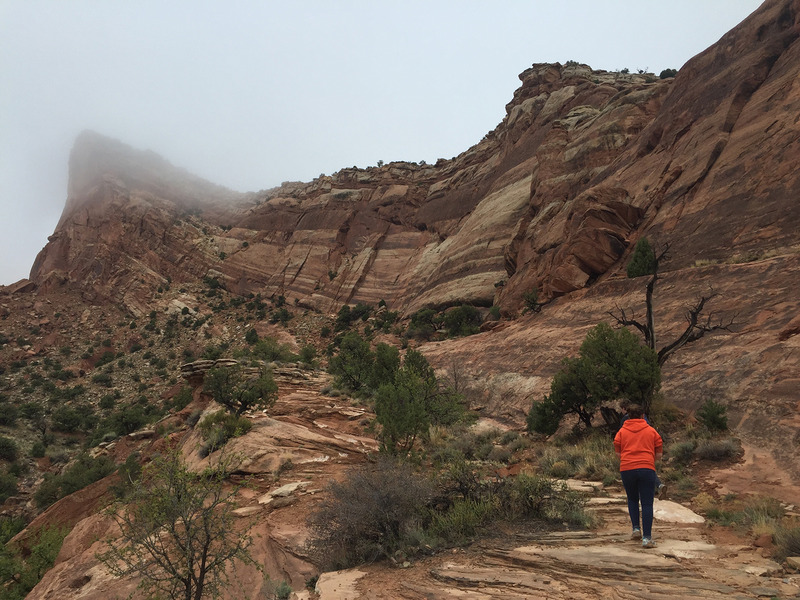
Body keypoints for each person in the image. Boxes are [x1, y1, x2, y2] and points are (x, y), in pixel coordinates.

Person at [614, 404, 663, 548]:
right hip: (646, 468)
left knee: (632, 499)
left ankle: (636, 529)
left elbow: (618, 453)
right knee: (647, 503)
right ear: (643, 416)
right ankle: (647, 538)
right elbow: (659, 455)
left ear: (628, 416)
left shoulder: (622, 432)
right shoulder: (651, 431)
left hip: (627, 468)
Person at [619, 401, 667, 500]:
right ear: (642, 414)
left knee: (632, 500)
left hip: (628, 462)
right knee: (647, 502)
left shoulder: (625, 421)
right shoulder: (646, 423)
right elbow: (658, 443)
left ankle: (657, 486)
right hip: (646, 456)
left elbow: (618, 443)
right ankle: (658, 486)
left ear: (625, 410)